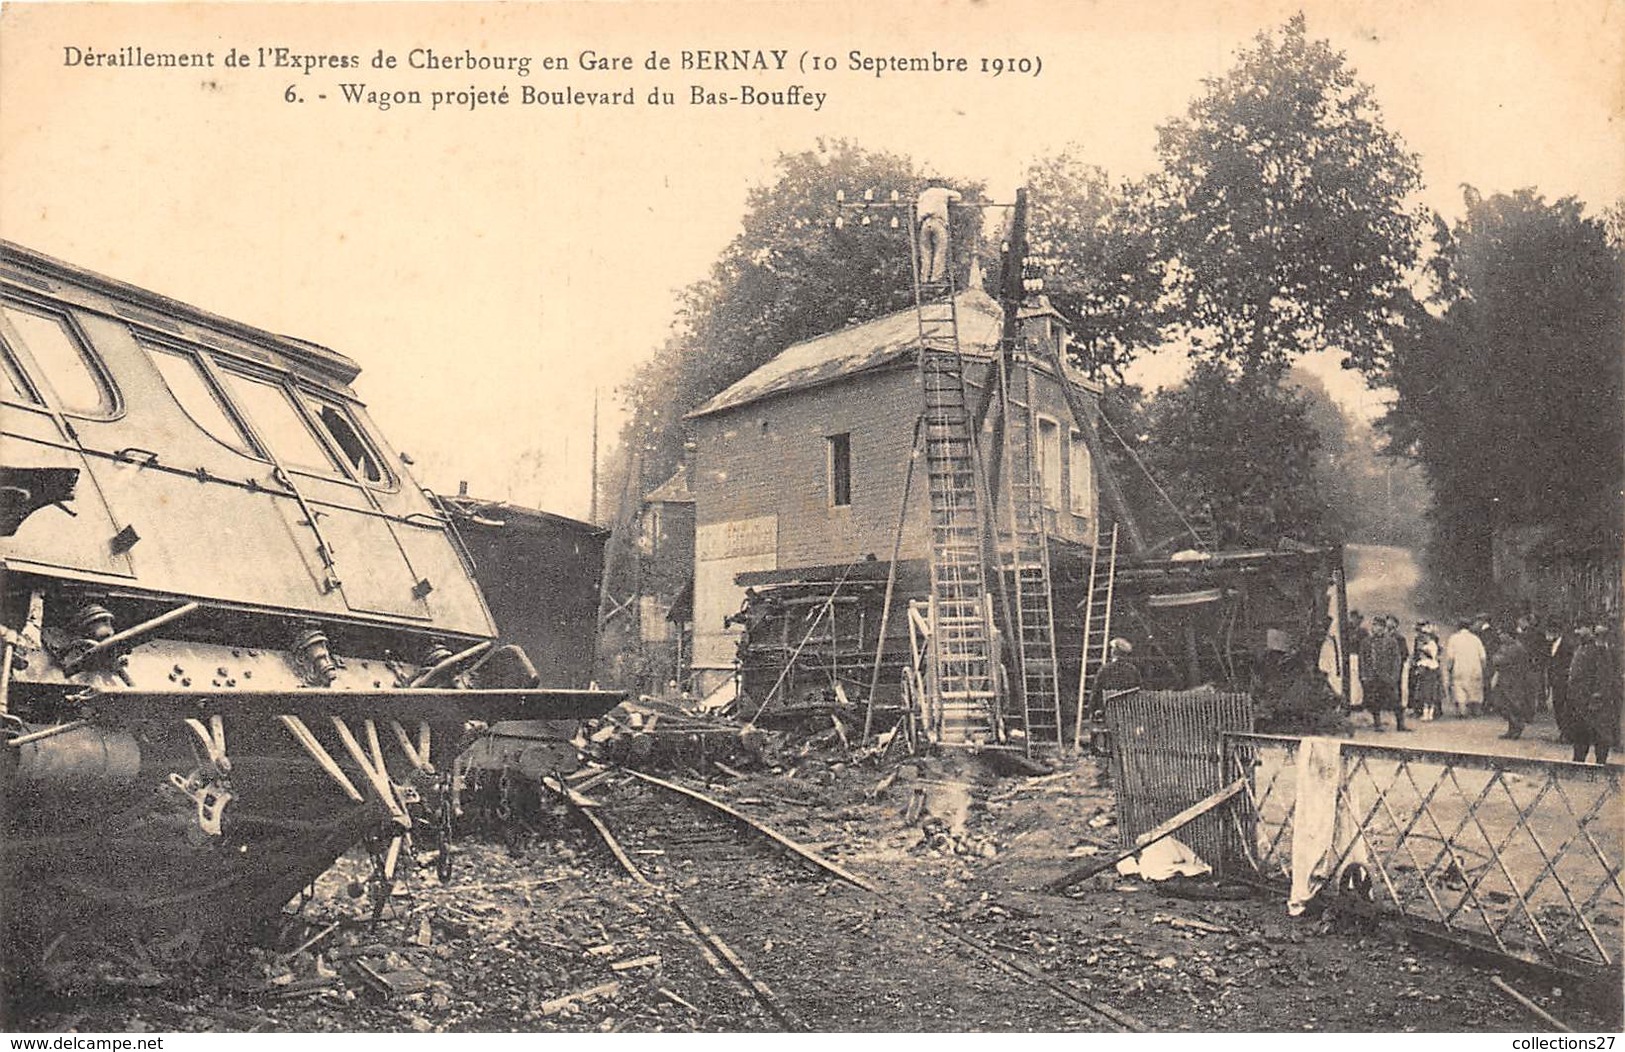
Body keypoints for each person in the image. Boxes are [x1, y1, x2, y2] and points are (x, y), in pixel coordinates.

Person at [1566, 623, 1619, 764]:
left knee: (1600, 734)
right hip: (1581, 698)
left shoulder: (1602, 651)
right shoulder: (1583, 648)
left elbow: (1605, 676)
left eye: (1581, 629)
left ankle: (1600, 764)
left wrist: (1598, 695)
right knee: (1581, 733)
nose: (1578, 632)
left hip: (1595, 700)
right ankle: (1578, 762)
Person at [1360, 615, 1409, 731]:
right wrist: (1364, 675)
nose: (1378, 629)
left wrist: (1394, 676)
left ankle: (1400, 725)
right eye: (1375, 626)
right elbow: (1362, 660)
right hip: (1372, 676)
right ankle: (1377, 724)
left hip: (1387, 676)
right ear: (1372, 627)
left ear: (1384, 628)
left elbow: (1397, 659)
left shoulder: (1391, 642)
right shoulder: (1366, 642)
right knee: (1374, 702)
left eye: (1380, 627)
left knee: (1395, 701)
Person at [1490, 629, 1538, 739]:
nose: (1500, 636)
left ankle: (1517, 727)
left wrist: (1497, 658)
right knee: (1505, 705)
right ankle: (1512, 728)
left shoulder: (1516, 647)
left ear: (1509, 635)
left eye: (1502, 633)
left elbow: (1500, 660)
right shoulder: (1507, 646)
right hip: (1506, 680)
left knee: (1513, 705)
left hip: (1514, 681)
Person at [915, 184, 962, 284]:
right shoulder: (943, 191)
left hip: (925, 223)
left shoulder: (923, 194)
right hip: (938, 222)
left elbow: (918, 213)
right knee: (940, 250)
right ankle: (936, 277)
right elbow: (959, 196)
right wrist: (947, 201)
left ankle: (924, 278)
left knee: (925, 252)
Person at [1444, 618, 1488, 718]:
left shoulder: (1453, 638)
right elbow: (1483, 657)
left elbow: (1451, 657)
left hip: (1460, 668)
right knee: (1475, 689)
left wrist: (1449, 668)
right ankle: (1476, 710)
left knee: (1460, 688)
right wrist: (1483, 668)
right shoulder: (1476, 639)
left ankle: (1463, 710)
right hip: (1475, 668)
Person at [1089, 637, 1141, 720]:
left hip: (1110, 711)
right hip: (1129, 711)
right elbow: (1139, 690)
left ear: (1114, 652)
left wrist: (1092, 709)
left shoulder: (1105, 669)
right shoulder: (1132, 669)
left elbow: (1096, 690)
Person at [1408, 621, 1443, 722]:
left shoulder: (1431, 644)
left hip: (1429, 669)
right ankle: (1423, 711)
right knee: (1424, 691)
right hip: (1425, 668)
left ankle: (1431, 713)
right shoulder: (1422, 642)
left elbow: (1431, 657)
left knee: (1429, 692)